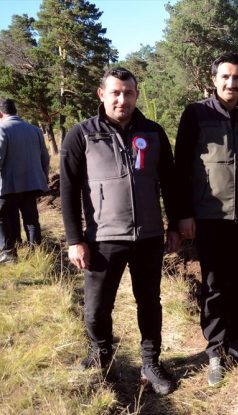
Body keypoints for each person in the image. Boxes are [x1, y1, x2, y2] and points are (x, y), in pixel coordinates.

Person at [60, 67, 181, 395]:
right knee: (97, 306)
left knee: (149, 302)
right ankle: (100, 353)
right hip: (102, 239)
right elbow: (68, 191)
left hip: (149, 237)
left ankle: (151, 361)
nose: (122, 99)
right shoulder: (81, 134)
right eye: (115, 93)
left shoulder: (153, 133)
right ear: (102, 94)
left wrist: (174, 225)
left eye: (128, 93)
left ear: (136, 94)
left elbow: (169, 183)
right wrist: (75, 239)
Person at [174, 52, 238, 386]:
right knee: (214, 283)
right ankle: (215, 347)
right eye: (225, 77)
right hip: (208, 215)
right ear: (213, 79)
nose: (232, 83)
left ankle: (237, 337)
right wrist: (182, 214)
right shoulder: (196, 114)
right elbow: (181, 168)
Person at [0, 98, 50, 263]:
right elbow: (45, 157)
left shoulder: (2, 129)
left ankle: (8, 253)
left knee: (2, 215)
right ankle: (36, 253)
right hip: (33, 183)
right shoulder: (34, 130)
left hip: (9, 185)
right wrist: (41, 177)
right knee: (31, 218)